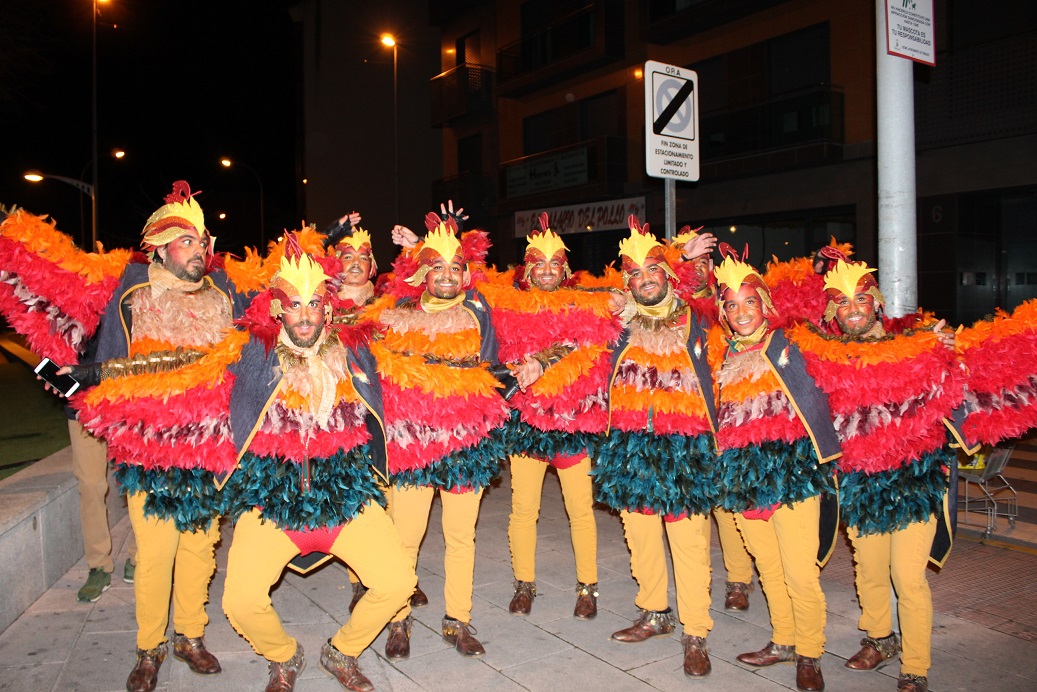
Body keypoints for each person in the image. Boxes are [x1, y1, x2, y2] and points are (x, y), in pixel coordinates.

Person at [66, 182, 251, 692]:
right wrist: (78, 382)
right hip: (150, 449)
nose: (200, 250)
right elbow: (107, 362)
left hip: (209, 447)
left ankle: (190, 636)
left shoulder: (223, 293)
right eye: (188, 242)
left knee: (201, 545)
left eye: (203, 242)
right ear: (162, 247)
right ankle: (149, 648)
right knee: (155, 553)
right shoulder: (133, 291)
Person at [221, 240, 416, 692]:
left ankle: (341, 651)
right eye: (294, 305)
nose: (305, 315)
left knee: (398, 581)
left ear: (329, 310)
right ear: (276, 310)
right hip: (271, 503)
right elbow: (176, 375)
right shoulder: (251, 357)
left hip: (345, 498)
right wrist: (81, 385)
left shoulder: (357, 353)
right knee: (241, 601)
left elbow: (420, 339)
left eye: (314, 304)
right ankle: (285, 656)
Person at [796, 258, 964, 692]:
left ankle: (916, 667)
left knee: (908, 579)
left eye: (861, 299)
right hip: (858, 483)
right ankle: (879, 639)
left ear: (876, 305)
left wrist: (950, 346)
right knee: (868, 571)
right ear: (832, 314)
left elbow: (956, 382)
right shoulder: (825, 358)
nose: (853, 308)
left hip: (913, 483)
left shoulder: (913, 346)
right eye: (843, 303)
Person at [365, 219, 509, 660]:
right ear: (422, 275)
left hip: (465, 444)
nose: (447, 274)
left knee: (461, 537)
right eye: (436, 267)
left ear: (466, 275)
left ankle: (457, 620)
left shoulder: (478, 310)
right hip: (412, 445)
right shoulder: (396, 311)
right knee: (404, 538)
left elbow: (494, 370)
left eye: (455, 266)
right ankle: (397, 619)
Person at [593, 219, 718, 677]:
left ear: (667, 276)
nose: (646, 280)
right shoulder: (620, 322)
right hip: (630, 447)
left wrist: (686, 257)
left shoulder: (692, 314)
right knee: (640, 537)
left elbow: (707, 294)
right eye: (636, 275)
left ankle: (696, 632)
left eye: (654, 271)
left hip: (685, 446)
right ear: (627, 283)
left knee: (688, 545)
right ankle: (655, 612)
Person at [479, 214, 620, 620]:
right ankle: (524, 584)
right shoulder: (508, 303)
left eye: (553, 262)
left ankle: (587, 587)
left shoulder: (585, 302)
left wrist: (543, 360)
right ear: (526, 268)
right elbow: (459, 286)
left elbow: (591, 335)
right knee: (523, 510)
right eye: (537, 262)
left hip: (573, 421)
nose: (545, 269)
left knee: (580, 509)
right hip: (527, 423)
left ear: (565, 268)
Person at [711, 250, 840, 692]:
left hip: (792, 477)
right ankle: (783, 640)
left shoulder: (791, 346)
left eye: (750, 302)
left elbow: (842, 358)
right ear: (723, 314)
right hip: (744, 479)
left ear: (765, 305)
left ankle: (810, 652)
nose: (742, 312)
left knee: (800, 572)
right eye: (732, 305)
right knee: (767, 565)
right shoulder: (719, 356)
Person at [667, 227, 755, 612]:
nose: (698, 270)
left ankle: (738, 580)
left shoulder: (729, 306)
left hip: (730, 414)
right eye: (691, 262)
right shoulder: (674, 302)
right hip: (688, 418)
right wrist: (678, 260)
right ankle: (697, 582)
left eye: (704, 262)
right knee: (697, 506)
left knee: (728, 505)